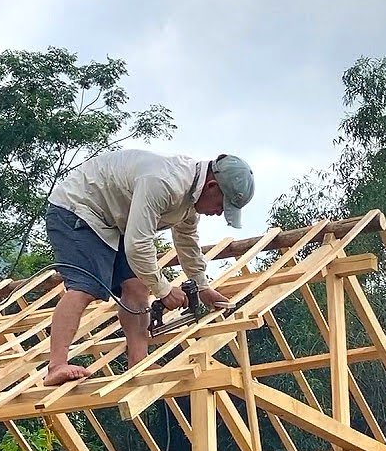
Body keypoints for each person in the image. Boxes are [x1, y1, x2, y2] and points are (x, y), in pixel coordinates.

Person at [42, 148, 255, 386]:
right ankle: (57, 365)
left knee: (137, 286)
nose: (219, 213)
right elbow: (138, 244)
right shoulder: (165, 183)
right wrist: (164, 289)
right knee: (86, 287)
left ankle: (138, 361)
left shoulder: (189, 199)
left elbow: (187, 240)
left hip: (115, 221)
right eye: (221, 205)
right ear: (212, 186)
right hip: (78, 208)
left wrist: (202, 286)